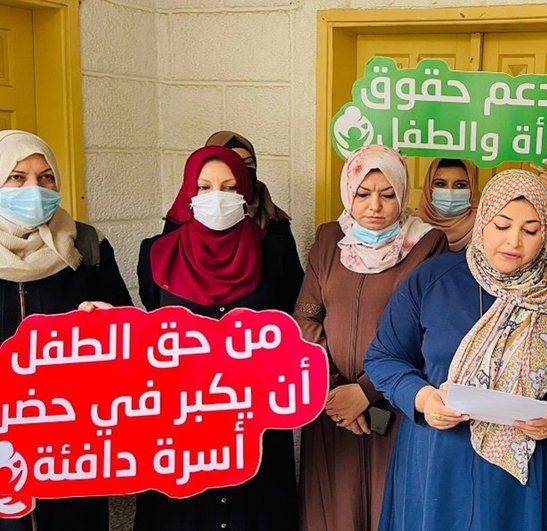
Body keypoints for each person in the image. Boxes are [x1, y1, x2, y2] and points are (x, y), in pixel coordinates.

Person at [364, 169, 547, 531]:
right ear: (482, 222)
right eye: (502, 225)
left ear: (544, 232)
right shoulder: (434, 279)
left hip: (537, 467)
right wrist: (423, 399)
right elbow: (385, 357)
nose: (514, 241)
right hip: (442, 462)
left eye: (530, 230)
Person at [133, 145, 301, 530]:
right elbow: (153, 325)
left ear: (245, 191)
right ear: (188, 194)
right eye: (205, 187)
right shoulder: (156, 254)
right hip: (181, 418)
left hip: (255, 414)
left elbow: (287, 323)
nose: (217, 198)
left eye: (228, 187)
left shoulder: (273, 250)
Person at [294, 145, 448, 531]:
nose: (374, 206)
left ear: (403, 193)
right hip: (329, 406)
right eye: (363, 193)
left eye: (388, 194)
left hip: (394, 403)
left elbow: (426, 334)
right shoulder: (330, 239)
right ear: (349, 193)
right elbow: (307, 317)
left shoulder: (428, 245)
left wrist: (365, 392)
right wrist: (333, 392)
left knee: (390, 506)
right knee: (334, 508)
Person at [0, 130, 132, 531]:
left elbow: (128, 332)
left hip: (73, 440)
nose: (34, 188)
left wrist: (106, 321)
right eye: (17, 177)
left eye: (46, 177)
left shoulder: (86, 244)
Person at [204, 130, 292, 231]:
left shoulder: (273, 219)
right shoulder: (197, 214)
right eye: (235, 163)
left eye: (248, 163)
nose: (243, 170)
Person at [414, 158, 480, 252]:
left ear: (472, 189)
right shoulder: (412, 228)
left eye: (460, 185)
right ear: (428, 189)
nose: (450, 192)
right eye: (440, 184)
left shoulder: (483, 228)